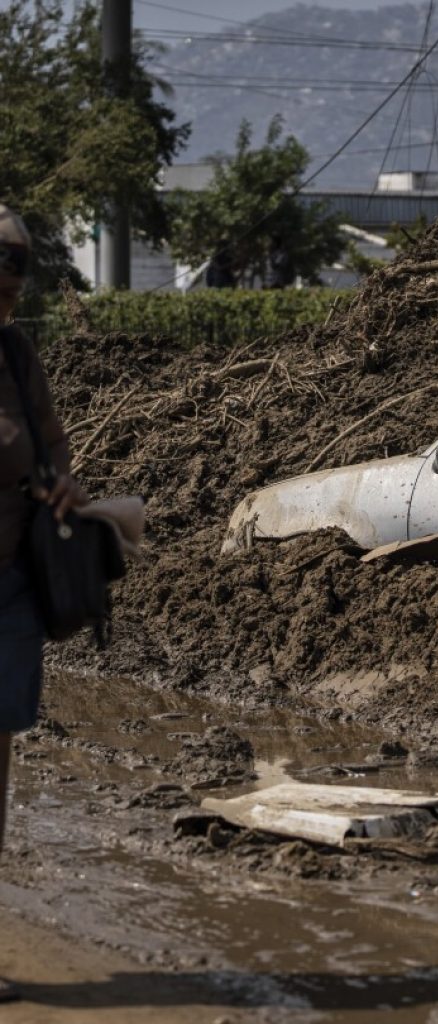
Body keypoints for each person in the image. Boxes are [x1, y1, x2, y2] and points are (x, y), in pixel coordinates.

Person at [0, 204, 87, 1003]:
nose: (7, 278)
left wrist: (60, 477)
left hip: (11, 588)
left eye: (18, 264)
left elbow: (53, 438)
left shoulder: (15, 353)